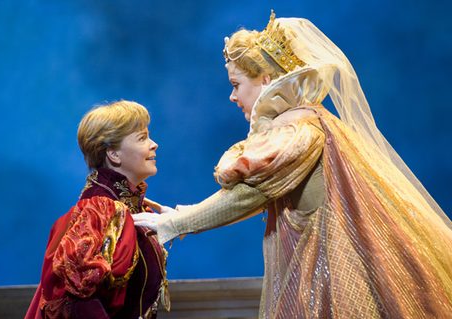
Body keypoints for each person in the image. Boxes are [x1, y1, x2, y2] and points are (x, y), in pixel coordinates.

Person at [133, 11, 452, 318]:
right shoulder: (307, 121)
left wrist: (175, 224)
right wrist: (184, 215)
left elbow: (248, 195)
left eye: (236, 85)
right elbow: (259, 196)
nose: (232, 97)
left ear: (266, 79)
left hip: (323, 268)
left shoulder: (295, 131)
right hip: (311, 260)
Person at [25, 100, 170, 319]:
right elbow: (79, 301)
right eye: (142, 138)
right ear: (114, 155)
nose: (154, 144)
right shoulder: (99, 212)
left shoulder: (129, 208)